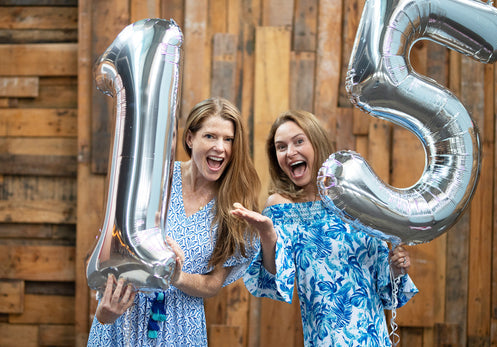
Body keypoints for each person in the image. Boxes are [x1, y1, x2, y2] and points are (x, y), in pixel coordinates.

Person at [231, 110, 418, 346]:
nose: (290, 152)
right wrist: (267, 232)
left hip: (372, 336)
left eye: (299, 141)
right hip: (324, 338)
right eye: (281, 147)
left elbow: (383, 284)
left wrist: (395, 267)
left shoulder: (354, 200)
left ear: (317, 143)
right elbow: (273, 278)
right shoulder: (281, 207)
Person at [88, 97, 261, 346]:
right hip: (126, 318)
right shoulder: (155, 180)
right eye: (210, 136)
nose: (220, 147)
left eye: (228, 139)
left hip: (181, 328)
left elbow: (213, 283)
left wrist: (177, 276)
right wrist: (105, 310)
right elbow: (115, 251)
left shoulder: (233, 203)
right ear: (190, 138)